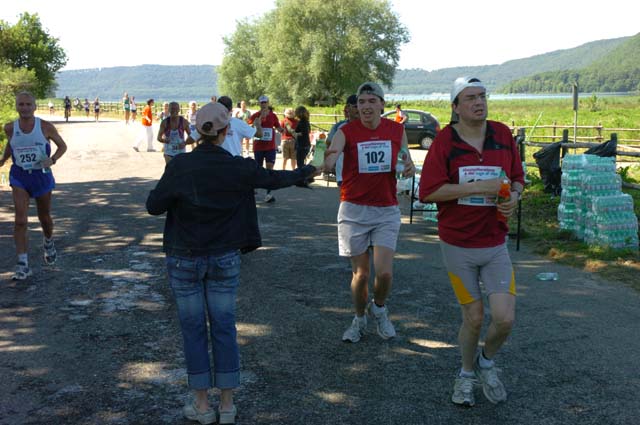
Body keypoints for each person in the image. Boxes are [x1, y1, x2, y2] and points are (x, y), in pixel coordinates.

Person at [146, 102, 318, 425]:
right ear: (226, 132)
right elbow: (275, 178)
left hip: (184, 257)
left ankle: (201, 404)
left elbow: (154, 206)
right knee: (224, 327)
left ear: (195, 131)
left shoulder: (180, 166)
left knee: (193, 329)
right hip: (224, 256)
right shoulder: (238, 167)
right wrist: (309, 170)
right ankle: (227, 405)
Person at [418, 77, 524, 407]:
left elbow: (517, 179)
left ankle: (486, 363)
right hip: (458, 246)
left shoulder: (503, 134)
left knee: (505, 318)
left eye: (482, 96)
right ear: (456, 107)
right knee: (474, 317)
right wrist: (479, 188)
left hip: (494, 243)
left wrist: (513, 198)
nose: (479, 102)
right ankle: (465, 375)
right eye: (470, 98)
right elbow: (429, 192)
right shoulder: (444, 143)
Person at [320, 82, 415, 343]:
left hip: (385, 209)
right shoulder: (346, 131)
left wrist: (409, 167)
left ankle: (380, 308)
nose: (366, 107)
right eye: (361, 102)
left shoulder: (397, 129)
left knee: (384, 273)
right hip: (353, 209)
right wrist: (327, 162)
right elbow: (333, 153)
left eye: (372, 101)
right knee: (361, 275)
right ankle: (359, 318)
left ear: (382, 105)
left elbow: (406, 158)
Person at [0, 92, 67, 280]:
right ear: (16, 107)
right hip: (20, 175)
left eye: (28, 104)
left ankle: (48, 241)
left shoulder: (45, 126)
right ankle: (22, 264)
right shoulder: (10, 128)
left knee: (44, 217)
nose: (25, 108)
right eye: (21, 104)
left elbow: (63, 146)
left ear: (35, 106)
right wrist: (4, 159)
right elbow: (11, 145)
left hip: (41, 176)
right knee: (20, 220)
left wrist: (52, 160)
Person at [247, 95, 284, 203]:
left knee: (269, 169)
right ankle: (253, 188)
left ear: (268, 103)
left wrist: (282, 129)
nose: (263, 104)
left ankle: (268, 194)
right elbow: (249, 126)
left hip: (270, 147)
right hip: (258, 146)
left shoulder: (273, 116)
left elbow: (278, 126)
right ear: (259, 104)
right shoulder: (255, 115)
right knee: (258, 169)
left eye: (265, 102)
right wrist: (260, 118)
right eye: (261, 103)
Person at [326, 94, 359, 187]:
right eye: (355, 106)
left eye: (360, 105)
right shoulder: (339, 127)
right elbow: (328, 143)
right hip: (344, 176)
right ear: (347, 108)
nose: (358, 109)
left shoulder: (370, 127)